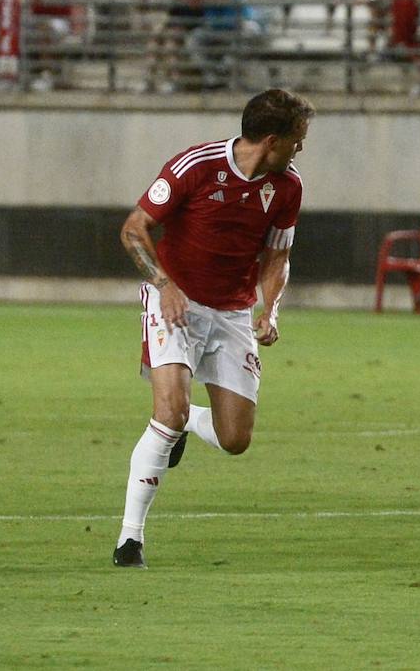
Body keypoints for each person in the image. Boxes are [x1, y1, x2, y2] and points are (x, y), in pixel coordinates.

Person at [112, 88, 313, 568]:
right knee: (168, 411)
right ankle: (129, 540)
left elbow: (278, 255)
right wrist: (163, 284)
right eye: (297, 139)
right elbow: (133, 229)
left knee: (235, 439)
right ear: (272, 139)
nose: (301, 148)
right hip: (174, 302)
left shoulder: (288, 187)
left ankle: (185, 425)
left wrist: (271, 308)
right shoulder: (195, 167)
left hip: (232, 313)